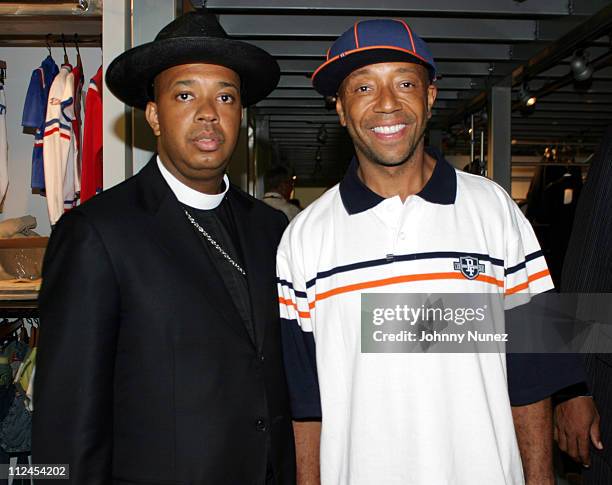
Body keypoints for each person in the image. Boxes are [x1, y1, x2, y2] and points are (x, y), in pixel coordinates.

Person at [276, 19, 585, 484]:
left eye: (404, 83)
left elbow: (532, 374)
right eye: (363, 87)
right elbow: (306, 405)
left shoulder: (493, 211)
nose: (386, 103)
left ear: (430, 96)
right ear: (340, 108)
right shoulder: (303, 238)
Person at [33, 11, 295, 485]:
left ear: (240, 114)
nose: (208, 112)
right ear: (154, 115)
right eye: (185, 94)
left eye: (226, 96)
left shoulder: (271, 231)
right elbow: (64, 424)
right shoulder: (97, 233)